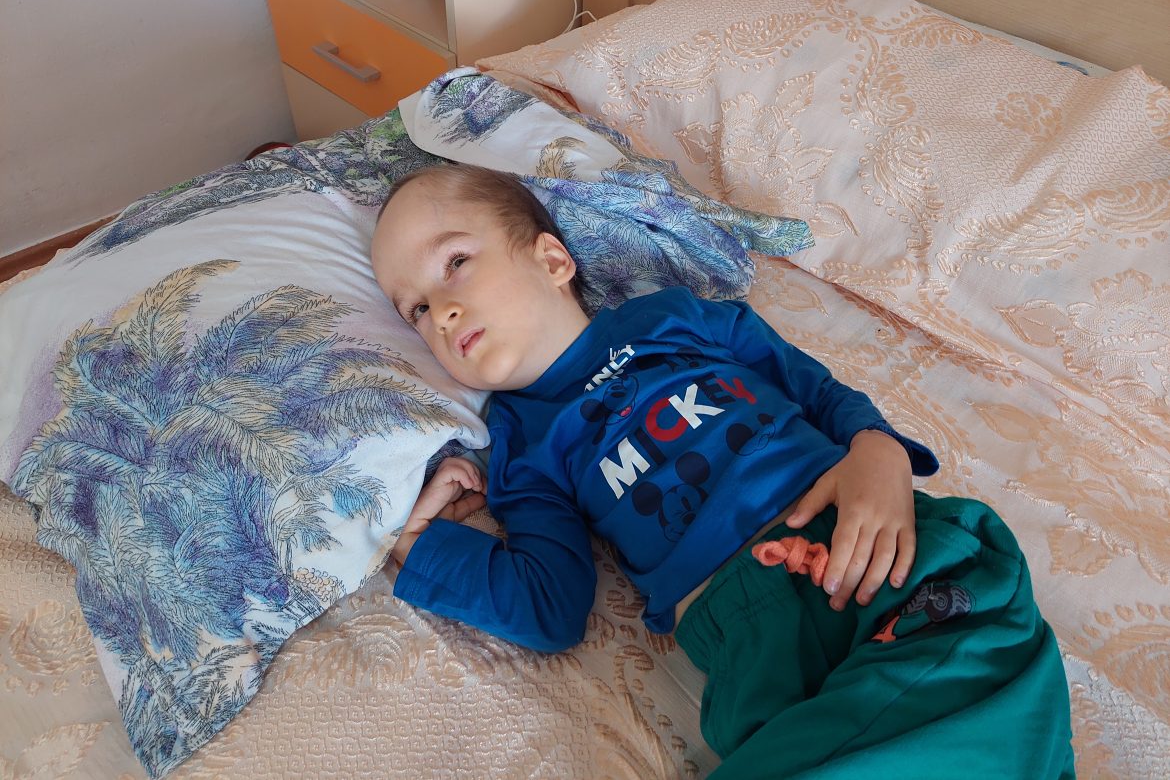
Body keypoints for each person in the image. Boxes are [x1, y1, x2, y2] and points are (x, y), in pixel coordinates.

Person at [370, 163, 1075, 779]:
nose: (443, 313)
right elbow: (550, 606)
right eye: (417, 310)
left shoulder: (675, 319)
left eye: (455, 262)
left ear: (552, 260)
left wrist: (878, 448)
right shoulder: (521, 443)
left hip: (864, 537)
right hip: (755, 641)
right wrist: (420, 546)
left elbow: (812, 388)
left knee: (987, 617)